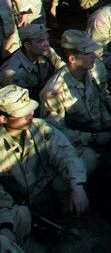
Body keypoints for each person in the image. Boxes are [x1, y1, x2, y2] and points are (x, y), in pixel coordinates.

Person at [0, 85, 88, 220]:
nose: (30, 115)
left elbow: (65, 154)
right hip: (13, 205)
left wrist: (77, 185)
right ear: (3, 119)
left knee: (82, 168)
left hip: (44, 190)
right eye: (22, 113)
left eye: (30, 110)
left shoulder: (39, 127)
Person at [38, 31, 111, 176]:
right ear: (72, 59)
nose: (95, 56)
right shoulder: (54, 91)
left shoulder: (92, 71)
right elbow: (56, 132)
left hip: (100, 130)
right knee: (90, 161)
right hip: (77, 140)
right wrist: (93, 138)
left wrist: (108, 122)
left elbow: (101, 100)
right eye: (88, 53)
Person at [0, 23, 61, 100]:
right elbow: (23, 101)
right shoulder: (14, 72)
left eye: (47, 39)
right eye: (40, 41)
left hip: (43, 92)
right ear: (27, 46)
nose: (47, 44)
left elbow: (63, 69)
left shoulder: (46, 51)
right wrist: (57, 94)